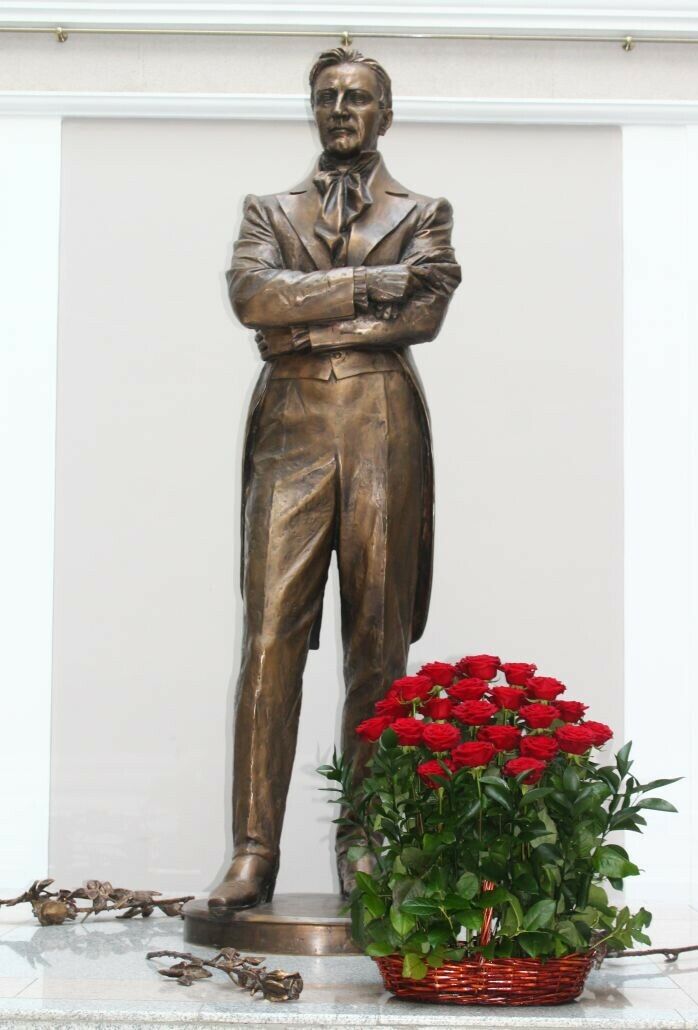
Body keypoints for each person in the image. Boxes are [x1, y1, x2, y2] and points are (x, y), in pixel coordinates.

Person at [209, 46, 461, 909]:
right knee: (268, 639)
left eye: (357, 98)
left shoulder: (425, 212)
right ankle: (253, 851)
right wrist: (369, 286)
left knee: (378, 643)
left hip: (384, 427)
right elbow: (252, 297)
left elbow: (424, 312)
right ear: (312, 109)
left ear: (385, 113)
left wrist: (306, 326)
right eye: (327, 97)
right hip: (290, 432)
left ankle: (366, 842)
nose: (341, 110)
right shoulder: (267, 211)